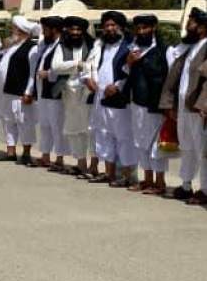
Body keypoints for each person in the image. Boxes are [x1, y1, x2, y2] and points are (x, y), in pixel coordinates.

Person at [159, 8, 207, 201]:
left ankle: (204, 190)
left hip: (198, 109)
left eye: (192, 21)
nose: (188, 24)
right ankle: (186, 185)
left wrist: (203, 105)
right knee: (187, 147)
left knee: (202, 150)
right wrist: (171, 105)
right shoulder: (192, 46)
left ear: (203, 26)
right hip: (184, 107)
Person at [87, 11, 135, 186]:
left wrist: (117, 85)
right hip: (100, 96)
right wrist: (88, 79)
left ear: (121, 27)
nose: (109, 28)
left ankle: (127, 175)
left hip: (119, 97)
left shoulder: (129, 45)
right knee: (104, 134)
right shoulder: (101, 45)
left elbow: (131, 70)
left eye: (113, 25)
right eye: (106, 25)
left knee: (123, 136)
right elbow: (90, 65)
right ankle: (109, 173)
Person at [122, 14, 168, 195]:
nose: (141, 32)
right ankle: (147, 179)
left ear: (153, 28)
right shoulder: (132, 49)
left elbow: (168, 76)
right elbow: (125, 73)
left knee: (155, 144)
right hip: (137, 102)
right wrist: (129, 63)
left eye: (145, 28)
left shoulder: (164, 50)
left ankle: (160, 182)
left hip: (155, 104)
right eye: (138, 28)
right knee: (140, 142)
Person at [51, 16, 94, 178]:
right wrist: (78, 64)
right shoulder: (61, 46)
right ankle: (81, 162)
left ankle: (93, 164)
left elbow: (93, 65)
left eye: (78, 30)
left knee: (89, 129)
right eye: (72, 30)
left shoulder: (91, 45)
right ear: (67, 31)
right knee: (73, 129)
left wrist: (80, 66)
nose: (75, 33)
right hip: (69, 93)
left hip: (88, 92)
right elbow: (56, 67)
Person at [0, 15, 39, 164]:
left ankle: (26, 153)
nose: (12, 32)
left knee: (24, 122)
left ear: (21, 31)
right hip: (5, 91)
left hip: (20, 92)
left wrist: (29, 92)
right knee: (8, 122)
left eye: (14, 29)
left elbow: (33, 72)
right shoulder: (11, 47)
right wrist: (3, 47)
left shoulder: (31, 48)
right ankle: (10, 151)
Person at [28, 16, 67, 170]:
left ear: (54, 30)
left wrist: (49, 74)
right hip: (43, 92)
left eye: (45, 29)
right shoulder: (48, 45)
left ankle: (59, 158)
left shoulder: (62, 46)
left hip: (55, 93)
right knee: (44, 125)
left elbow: (63, 68)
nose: (43, 33)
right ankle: (45, 156)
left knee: (56, 126)